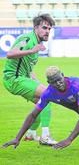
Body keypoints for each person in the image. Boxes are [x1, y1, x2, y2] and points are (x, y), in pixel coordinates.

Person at [2, 14, 57, 146]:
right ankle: (45, 137)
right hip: (13, 79)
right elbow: (10, 54)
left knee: (42, 103)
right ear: (35, 28)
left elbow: (28, 69)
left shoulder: (36, 43)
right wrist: (32, 50)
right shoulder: (26, 39)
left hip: (21, 78)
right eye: (44, 28)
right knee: (46, 96)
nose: (47, 31)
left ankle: (31, 134)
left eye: (49, 29)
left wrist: (37, 82)